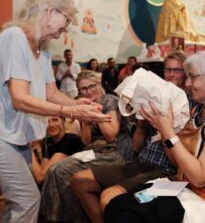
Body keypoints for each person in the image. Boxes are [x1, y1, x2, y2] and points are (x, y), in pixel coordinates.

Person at [0, 0, 110, 222]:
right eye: (68, 19)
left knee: (18, 202)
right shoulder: (14, 37)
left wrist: (76, 103)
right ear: (50, 12)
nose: (68, 27)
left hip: (14, 136)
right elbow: (19, 98)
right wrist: (70, 111)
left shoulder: (42, 49)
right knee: (27, 199)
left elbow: (50, 92)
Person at [70, 51, 188, 223]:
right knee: (79, 180)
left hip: (165, 169)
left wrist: (165, 129)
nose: (171, 74)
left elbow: (178, 161)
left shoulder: (187, 105)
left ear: (186, 74)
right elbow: (136, 147)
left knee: (109, 197)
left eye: (177, 70)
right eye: (167, 69)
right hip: (141, 162)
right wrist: (141, 124)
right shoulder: (154, 96)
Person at [139, 48, 205, 222]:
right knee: (120, 206)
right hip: (183, 190)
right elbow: (178, 163)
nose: (187, 83)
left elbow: (199, 178)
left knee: (134, 215)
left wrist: (168, 133)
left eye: (193, 77)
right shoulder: (196, 112)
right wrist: (166, 131)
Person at [39, 70, 134, 222]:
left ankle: (76, 218)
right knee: (54, 170)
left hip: (116, 152)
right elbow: (86, 141)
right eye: (83, 89)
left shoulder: (109, 100)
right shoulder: (84, 105)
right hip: (95, 151)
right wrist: (86, 120)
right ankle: (55, 217)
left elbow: (111, 135)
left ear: (98, 85)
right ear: (79, 91)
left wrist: (96, 111)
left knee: (61, 170)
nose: (88, 91)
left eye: (91, 86)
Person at [31, 116, 85, 185]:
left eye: (55, 120)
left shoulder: (71, 140)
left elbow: (40, 178)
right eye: (46, 122)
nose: (51, 125)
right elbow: (42, 172)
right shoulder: (47, 142)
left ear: (62, 121)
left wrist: (28, 149)